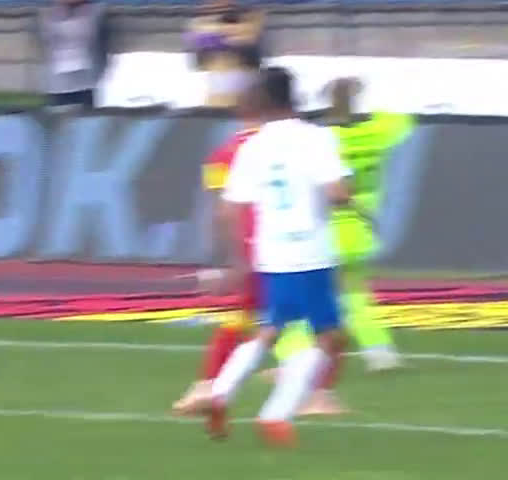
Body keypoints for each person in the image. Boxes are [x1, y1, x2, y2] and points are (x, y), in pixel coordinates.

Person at [201, 66, 352, 448]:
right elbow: (337, 192)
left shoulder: (253, 146)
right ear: (293, 96)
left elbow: (229, 209)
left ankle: (220, 392)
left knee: (269, 329)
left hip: (271, 253)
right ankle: (277, 413)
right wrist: (347, 192)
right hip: (311, 251)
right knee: (330, 337)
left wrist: (237, 261)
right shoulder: (317, 138)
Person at [272, 77, 414, 398]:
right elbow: (402, 119)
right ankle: (380, 352)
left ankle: (292, 357)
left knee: (304, 297)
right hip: (361, 229)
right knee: (355, 295)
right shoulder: (378, 131)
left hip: (323, 229)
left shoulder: (320, 139)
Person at [171, 85, 266, 415]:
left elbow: (220, 208)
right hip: (284, 244)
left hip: (250, 243)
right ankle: (210, 386)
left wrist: (225, 257)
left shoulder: (222, 154)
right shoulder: (285, 146)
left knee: (253, 316)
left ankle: (209, 386)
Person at [36, 0, 110, 110]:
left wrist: (98, 77)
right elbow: (44, 47)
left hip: (86, 85)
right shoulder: (46, 16)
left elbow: (103, 47)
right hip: (56, 87)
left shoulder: (95, 12)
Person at [187, 0, 265, 109]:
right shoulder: (204, 25)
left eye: (225, 2)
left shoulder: (249, 21)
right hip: (217, 99)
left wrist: (225, 35)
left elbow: (250, 41)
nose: (222, 7)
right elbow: (198, 48)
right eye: (216, 4)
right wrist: (222, 35)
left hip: (247, 96)